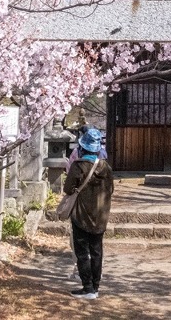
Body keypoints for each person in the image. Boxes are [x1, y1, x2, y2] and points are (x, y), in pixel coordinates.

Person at [63, 127, 114, 300]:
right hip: (101, 215)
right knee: (97, 251)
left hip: (81, 215)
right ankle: (96, 287)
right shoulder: (106, 168)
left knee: (82, 251)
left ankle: (88, 288)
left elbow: (68, 188)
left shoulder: (78, 166)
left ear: (83, 148)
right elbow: (111, 190)